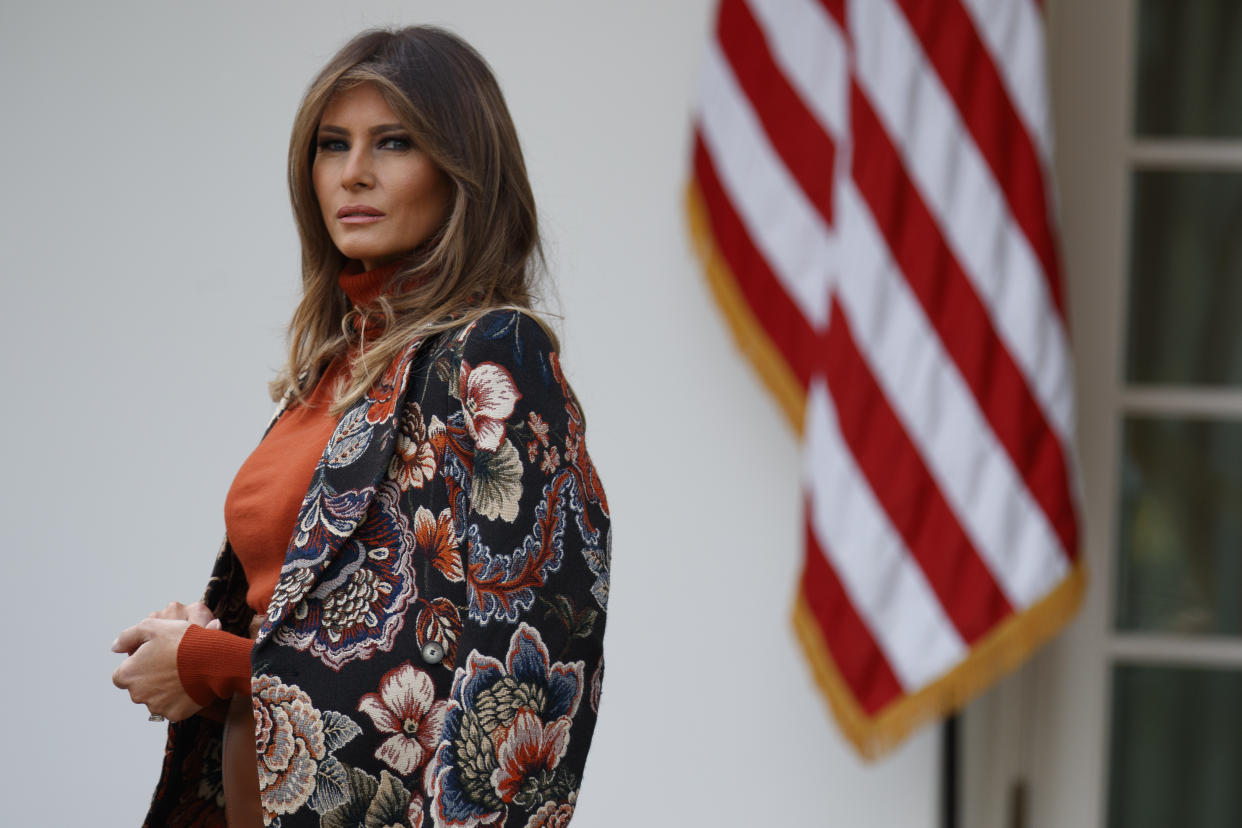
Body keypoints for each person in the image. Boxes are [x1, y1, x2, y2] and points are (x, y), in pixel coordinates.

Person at [110, 25, 610, 828]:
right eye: (332, 144)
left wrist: (215, 663)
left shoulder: (492, 354)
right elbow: (328, 620)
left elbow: (524, 668)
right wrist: (212, 639)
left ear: (463, 171)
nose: (354, 174)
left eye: (394, 142)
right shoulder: (339, 370)